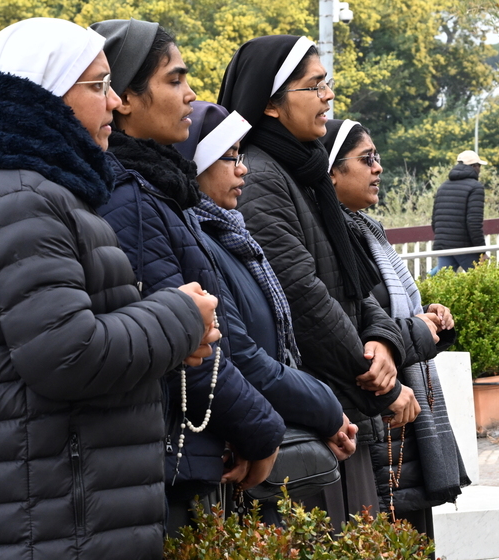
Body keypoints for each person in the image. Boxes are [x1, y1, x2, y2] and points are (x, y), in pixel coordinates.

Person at [0, 18, 222, 560]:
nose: (116, 102)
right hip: (51, 527)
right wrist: (180, 316)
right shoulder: (21, 202)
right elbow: (70, 354)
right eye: (97, 85)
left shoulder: (24, 191)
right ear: (43, 96)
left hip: (44, 516)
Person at [89, 18, 284, 533]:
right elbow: (189, 346)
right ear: (124, 98)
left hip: (182, 451)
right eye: (174, 80)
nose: (191, 94)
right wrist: (262, 432)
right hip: (174, 458)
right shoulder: (129, 198)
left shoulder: (155, 188)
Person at [218, 34, 420, 519]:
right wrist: (380, 382)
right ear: (271, 104)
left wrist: (383, 341)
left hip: (340, 398)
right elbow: (303, 297)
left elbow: (351, 284)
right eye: (314, 86)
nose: (328, 95)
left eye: (326, 83)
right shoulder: (263, 178)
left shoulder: (303, 172)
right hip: (315, 410)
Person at [175, 101, 359, 522]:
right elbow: (242, 356)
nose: (243, 170)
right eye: (230, 157)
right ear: (197, 165)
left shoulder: (233, 237)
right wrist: (327, 407)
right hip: (236, 453)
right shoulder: (200, 241)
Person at [324, 119, 470, 551]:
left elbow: (389, 316)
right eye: (366, 159)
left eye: (378, 158)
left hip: (402, 416)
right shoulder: (335, 240)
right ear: (332, 171)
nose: (378, 168)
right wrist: (420, 331)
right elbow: (361, 330)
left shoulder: (368, 229)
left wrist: (430, 321)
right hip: (379, 416)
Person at [429, 150, 488, 275]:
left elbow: (435, 221)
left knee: (440, 282)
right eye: (479, 165)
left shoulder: (443, 186)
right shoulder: (475, 187)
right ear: (473, 166)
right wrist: (482, 251)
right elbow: (474, 223)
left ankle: (417, 289)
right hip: (465, 247)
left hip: (444, 245)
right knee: (485, 282)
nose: (480, 169)